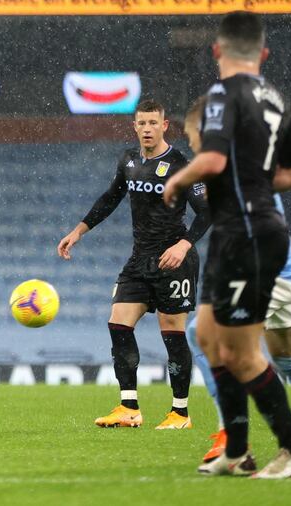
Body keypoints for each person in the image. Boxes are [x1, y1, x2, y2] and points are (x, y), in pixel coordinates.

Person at [163, 11, 291, 478]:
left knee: (242, 353)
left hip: (246, 232)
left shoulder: (222, 94)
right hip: (243, 228)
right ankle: (237, 450)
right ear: (263, 54)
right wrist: (253, 184)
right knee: (207, 338)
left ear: (217, 51)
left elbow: (209, 157)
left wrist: (178, 181)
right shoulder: (275, 100)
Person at [181, 96, 291, 463]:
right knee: (288, 360)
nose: (190, 143)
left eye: (191, 135)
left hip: (270, 268)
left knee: (209, 338)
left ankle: (237, 440)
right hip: (277, 265)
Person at [58, 100, 210, 430]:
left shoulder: (182, 166)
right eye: (141, 123)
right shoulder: (128, 160)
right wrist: (79, 230)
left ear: (165, 125)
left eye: (153, 123)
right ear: (135, 126)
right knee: (118, 323)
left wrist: (183, 246)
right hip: (140, 260)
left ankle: (180, 412)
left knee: (172, 332)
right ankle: (129, 407)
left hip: (173, 260)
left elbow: (208, 211)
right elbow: (111, 197)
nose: (146, 129)